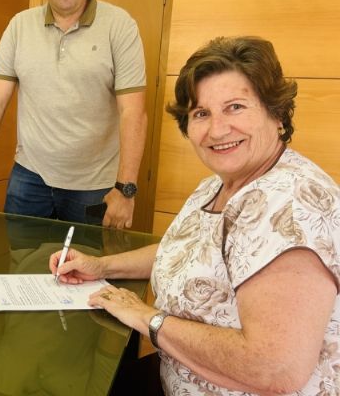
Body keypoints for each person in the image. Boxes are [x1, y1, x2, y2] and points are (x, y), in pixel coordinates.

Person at [50, 36, 339, 395]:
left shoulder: (291, 205)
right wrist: (101, 266)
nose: (217, 130)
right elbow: (183, 251)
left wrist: (147, 317)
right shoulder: (217, 184)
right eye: (201, 113)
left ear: (276, 114)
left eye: (235, 107)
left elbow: (274, 368)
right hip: (177, 373)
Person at [0, 0, 147, 229]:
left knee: (87, 261)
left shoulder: (120, 26)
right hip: (29, 178)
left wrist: (126, 190)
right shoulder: (19, 26)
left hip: (94, 186)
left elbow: (133, 112)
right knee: (19, 258)